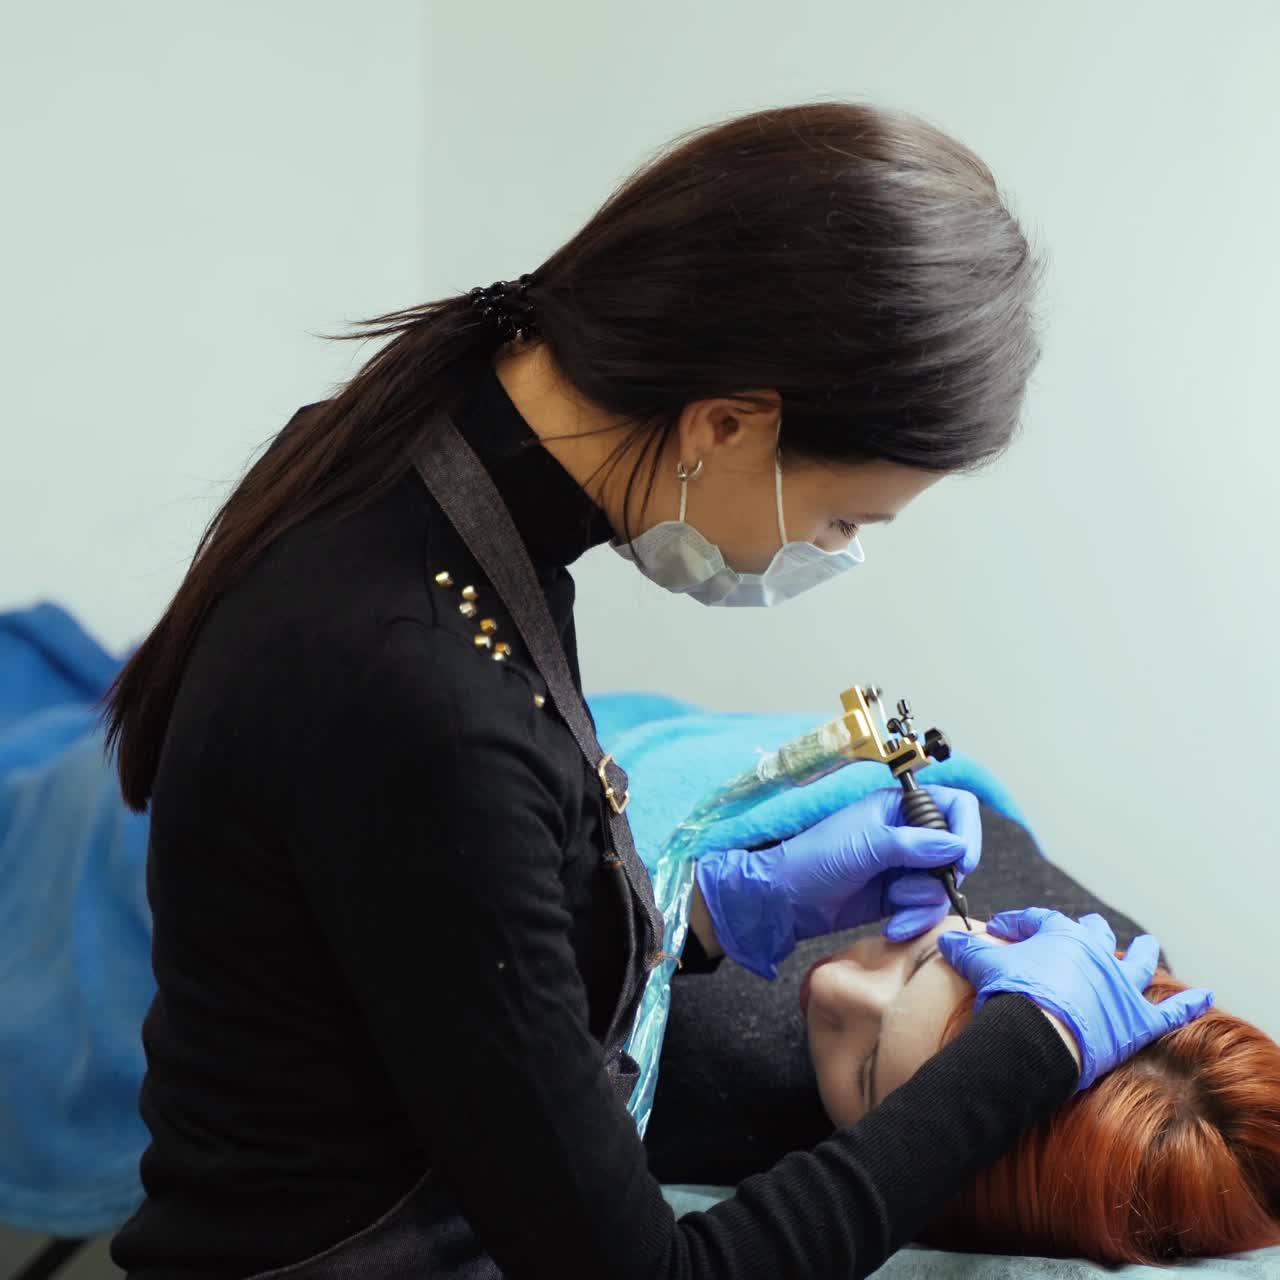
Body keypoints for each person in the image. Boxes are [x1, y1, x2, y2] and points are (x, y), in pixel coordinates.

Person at [104, 101, 1210, 1279]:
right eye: (843, 516)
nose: (834, 552)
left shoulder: (421, 480)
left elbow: (414, 946)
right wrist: (1023, 1050)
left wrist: (686, 915)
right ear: (726, 423)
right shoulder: (421, 683)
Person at [651, 808, 1278, 1266]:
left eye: (867, 1071)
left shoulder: (688, 1092)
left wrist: (690, 916)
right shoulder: (946, 842)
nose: (836, 986)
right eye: (922, 961)